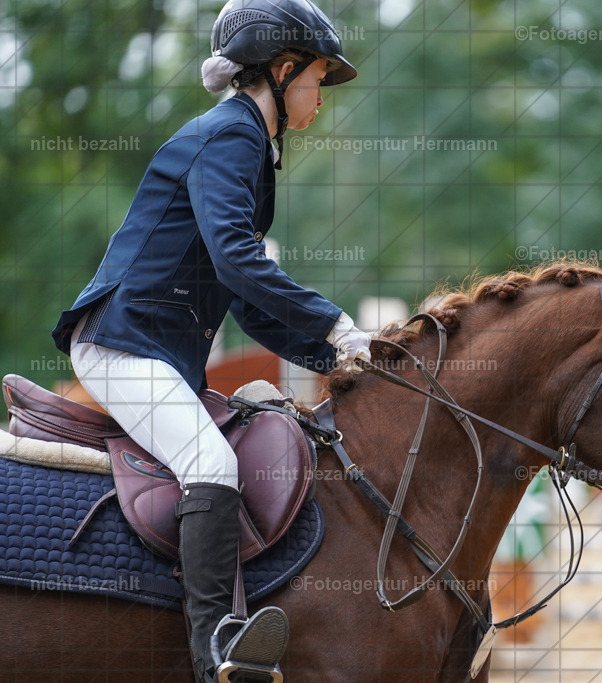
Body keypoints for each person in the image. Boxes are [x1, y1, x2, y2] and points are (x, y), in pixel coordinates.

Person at [50, 0, 370, 680]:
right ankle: (214, 650)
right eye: (316, 78)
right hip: (122, 342)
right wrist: (335, 322)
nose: (320, 96)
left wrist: (335, 359)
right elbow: (237, 262)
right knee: (212, 467)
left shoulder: (250, 149)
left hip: (154, 347)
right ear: (282, 73)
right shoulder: (233, 136)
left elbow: (245, 301)